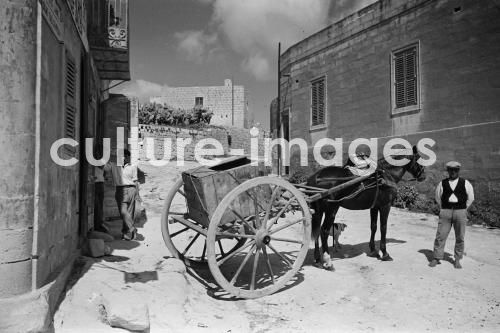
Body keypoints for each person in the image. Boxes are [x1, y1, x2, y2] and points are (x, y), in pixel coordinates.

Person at [429, 161, 474, 269]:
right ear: (448, 171)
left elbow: (471, 198)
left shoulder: (465, 183)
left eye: (455, 170)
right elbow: (438, 197)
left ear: (458, 171)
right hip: (446, 212)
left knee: (460, 236)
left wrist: (463, 209)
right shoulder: (442, 183)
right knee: (441, 235)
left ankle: (457, 259)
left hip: (460, 212)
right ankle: (436, 257)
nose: (453, 172)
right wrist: (443, 208)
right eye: (451, 170)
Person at [104, 150, 139, 241]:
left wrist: (137, 194)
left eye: (125, 156)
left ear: (128, 157)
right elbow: (104, 168)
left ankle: (126, 234)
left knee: (129, 212)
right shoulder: (113, 165)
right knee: (123, 212)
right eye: (121, 156)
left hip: (131, 189)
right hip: (120, 189)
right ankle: (132, 229)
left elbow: (135, 181)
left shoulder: (133, 166)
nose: (123, 158)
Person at [93, 164, 109, 233]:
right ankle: (97, 225)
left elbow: (105, 170)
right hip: (95, 183)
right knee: (97, 206)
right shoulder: (94, 160)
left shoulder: (101, 161)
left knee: (100, 205)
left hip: (100, 183)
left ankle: (99, 223)